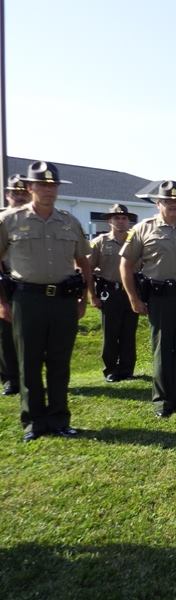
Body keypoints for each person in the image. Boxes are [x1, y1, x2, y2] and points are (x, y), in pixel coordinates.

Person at [0, 161, 95, 441]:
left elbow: (83, 262)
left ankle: (59, 419)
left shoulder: (69, 221)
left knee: (59, 362)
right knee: (28, 362)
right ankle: (34, 422)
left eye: (52, 185)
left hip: (63, 301)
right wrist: (2, 303)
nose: (48, 190)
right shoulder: (9, 221)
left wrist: (84, 298)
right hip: (27, 299)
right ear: (30, 187)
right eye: (42, 184)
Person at [120, 180, 176, 418]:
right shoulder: (143, 229)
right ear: (158, 203)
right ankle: (162, 401)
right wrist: (133, 298)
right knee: (162, 349)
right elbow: (126, 264)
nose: (173, 204)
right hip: (160, 298)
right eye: (168, 201)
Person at [88, 203, 139, 382]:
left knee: (128, 333)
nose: (121, 221)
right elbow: (88, 270)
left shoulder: (136, 242)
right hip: (110, 292)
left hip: (131, 293)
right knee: (110, 333)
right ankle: (110, 369)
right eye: (116, 218)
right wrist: (92, 295)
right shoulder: (100, 242)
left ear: (128, 221)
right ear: (109, 221)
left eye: (124, 218)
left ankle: (127, 369)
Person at [0, 175, 30, 395]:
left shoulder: (37, 219)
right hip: (6, 282)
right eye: (15, 193)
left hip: (31, 285)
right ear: (7, 195)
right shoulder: (2, 220)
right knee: (6, 334)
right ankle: (10, 378)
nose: (19, 197)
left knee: (32, 334)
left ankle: (30, 377)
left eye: (23, 193)